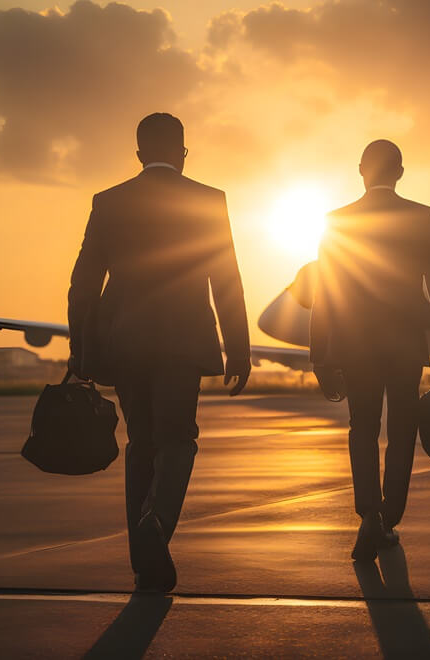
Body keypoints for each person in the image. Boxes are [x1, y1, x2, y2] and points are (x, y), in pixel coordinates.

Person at [68, 112, 251, 592]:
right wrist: (239, 349)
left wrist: (79, 350)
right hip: (184, 342)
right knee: (178, 439)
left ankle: (142, 559)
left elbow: (83, 283)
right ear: (183, 153)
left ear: (139, 154)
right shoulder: (209, 201)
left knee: (141, 442)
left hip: (124, 341)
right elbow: (226, 280)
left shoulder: (109, 202)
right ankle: (157, 522)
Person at [310, 139, 430, 561]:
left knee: (362, 428)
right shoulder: (422, 217)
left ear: (361, 170)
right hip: (405, 342)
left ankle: (368, 516)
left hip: (356, 346)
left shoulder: (336, 220)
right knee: (402, 429)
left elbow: (325, 292)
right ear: (400, 172)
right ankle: (389, 517)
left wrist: (320, 353)